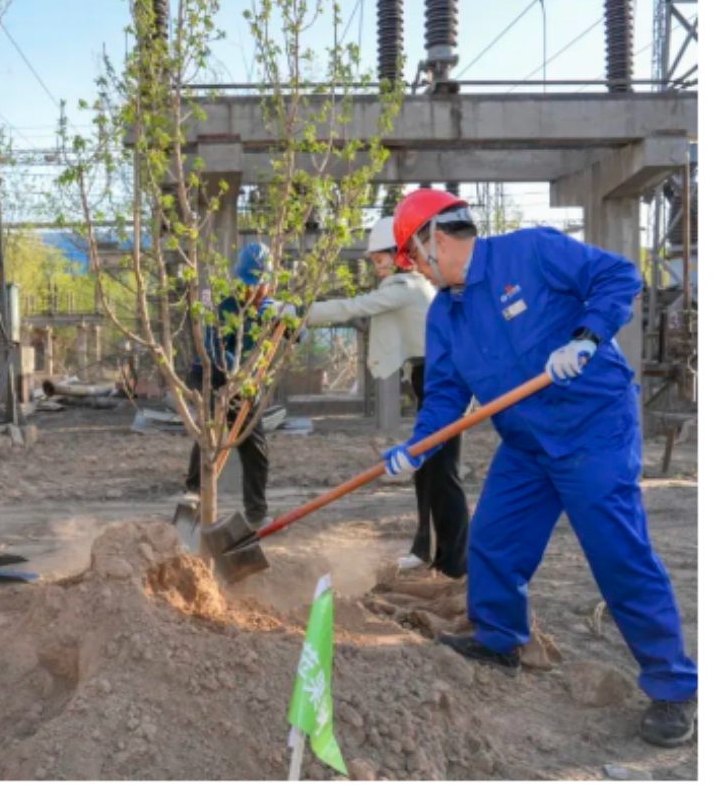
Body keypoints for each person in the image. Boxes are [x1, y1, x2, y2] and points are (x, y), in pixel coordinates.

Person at [384, 191, 696, 748]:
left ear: (436, 238)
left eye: (415, 257)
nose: (420, 271)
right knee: (495, 540)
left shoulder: (530, 252)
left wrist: (586, 337)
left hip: (592, 429)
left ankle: (673, 686)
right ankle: (501, 637)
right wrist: (418, 446)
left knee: (618, 555)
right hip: (527, 444)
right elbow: (446, 395)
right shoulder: (445, 313)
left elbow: (619, 276)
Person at [305, 216, 465, 578]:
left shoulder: (407, 287)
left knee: (443, 474)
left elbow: (353, 307)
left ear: (400, 256)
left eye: (380, 260)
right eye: (373, 261)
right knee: (424, 471)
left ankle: (455, 564)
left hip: (444, 380)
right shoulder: (405, 286)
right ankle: (425, 549)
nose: (376, 268)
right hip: (426, 378)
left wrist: (297, 313)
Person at [182, 240, 290, 528]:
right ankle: (193, 500)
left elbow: (294, 334)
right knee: (209, 438)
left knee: (256, 450)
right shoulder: (226, 308)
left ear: (268, 282)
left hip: (249, 386)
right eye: (247, 285)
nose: (252, 291)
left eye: (258, 285)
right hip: (215, 378)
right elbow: (213, 348)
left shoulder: (272, 309)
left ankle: (256, 515)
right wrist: (237, 375)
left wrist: (290, 320)